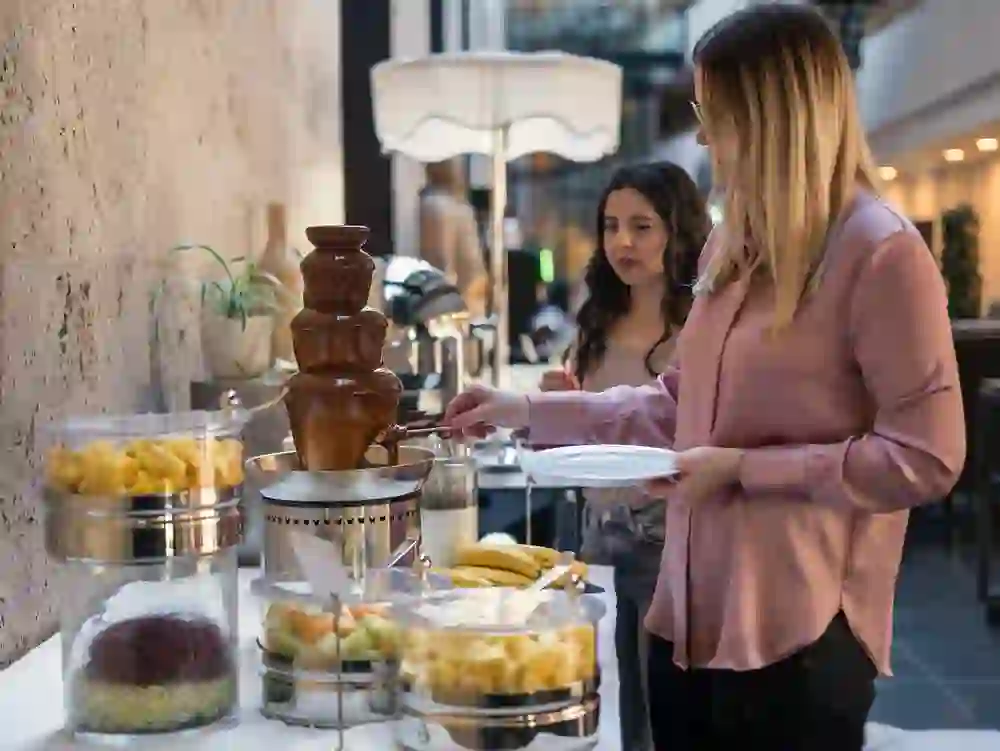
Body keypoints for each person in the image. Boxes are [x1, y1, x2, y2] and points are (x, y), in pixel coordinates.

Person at [443, 5, 966, 750]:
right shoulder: (733, 242)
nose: (701, 137)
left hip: (801, 637)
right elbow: (676, 404)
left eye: (712, 114)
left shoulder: (881, 254)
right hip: (685, 620)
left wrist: (743, 472)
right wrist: (523, 409)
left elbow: (927, 457)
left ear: (769, 118)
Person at [538, 162, 707, 751]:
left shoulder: (703, 327)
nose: (622, 242)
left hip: (673, 539)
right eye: (611, 225)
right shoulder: (596, 318)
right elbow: (587, 437)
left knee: (662, 711)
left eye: (642, 226)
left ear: (678, 231)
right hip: (598, 534)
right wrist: (553, 410)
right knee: (607, 704)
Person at [419, 159, 487, 316]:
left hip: (455, 296)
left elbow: (441, 259)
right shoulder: (459, 207)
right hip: (469, 294)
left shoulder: (435, 204)